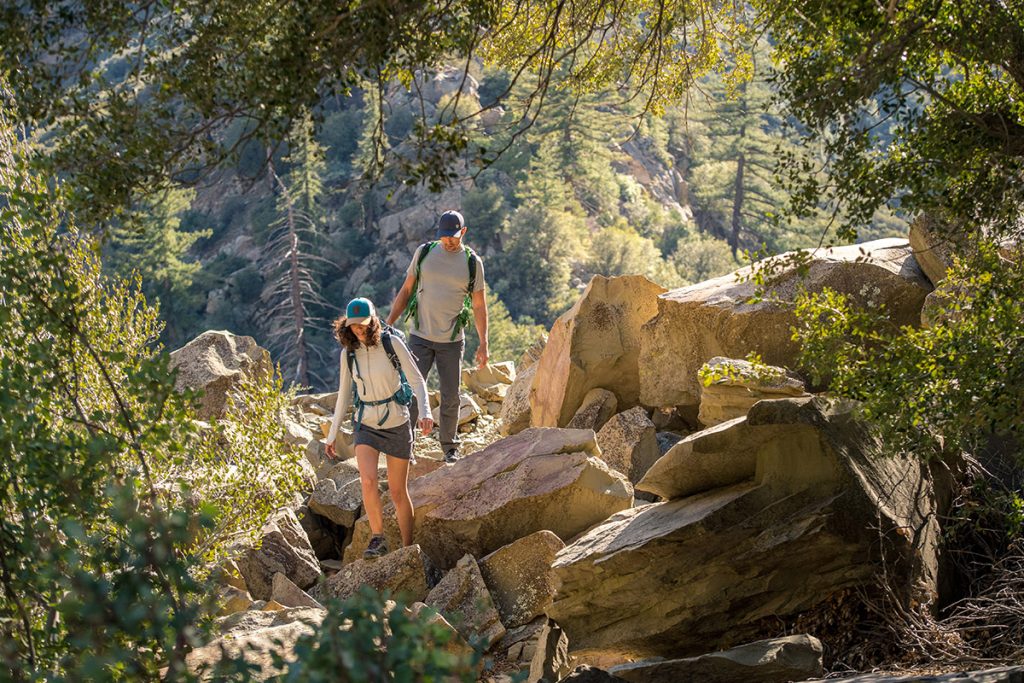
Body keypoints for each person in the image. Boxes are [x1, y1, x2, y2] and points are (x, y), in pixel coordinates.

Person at [325, 297, 432, 559]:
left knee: (397, 491)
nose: (359, 331)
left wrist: (426, 413)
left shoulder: (391, 343)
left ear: (373, 320)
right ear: (346, 327)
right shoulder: (348, 353)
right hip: (366, 424)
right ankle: (377, 538)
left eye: (363, 325)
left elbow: (417, 380)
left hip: (396, 423)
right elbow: (344, 395)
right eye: (354, 327)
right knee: (368, 480)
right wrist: (331, 434)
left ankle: (408, 548)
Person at [386, 209, 488, 464]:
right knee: (409, 391)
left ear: (463, 232)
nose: (449, 241)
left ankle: (450, 447)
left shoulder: (472, 263)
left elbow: (479, 305)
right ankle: (405, 446)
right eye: (445, 236)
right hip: (420, 336)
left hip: (452, 342)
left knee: (451, 395)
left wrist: (484, 342)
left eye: (453, 236)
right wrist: (389, 322)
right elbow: (407, 289)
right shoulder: (424, 253)